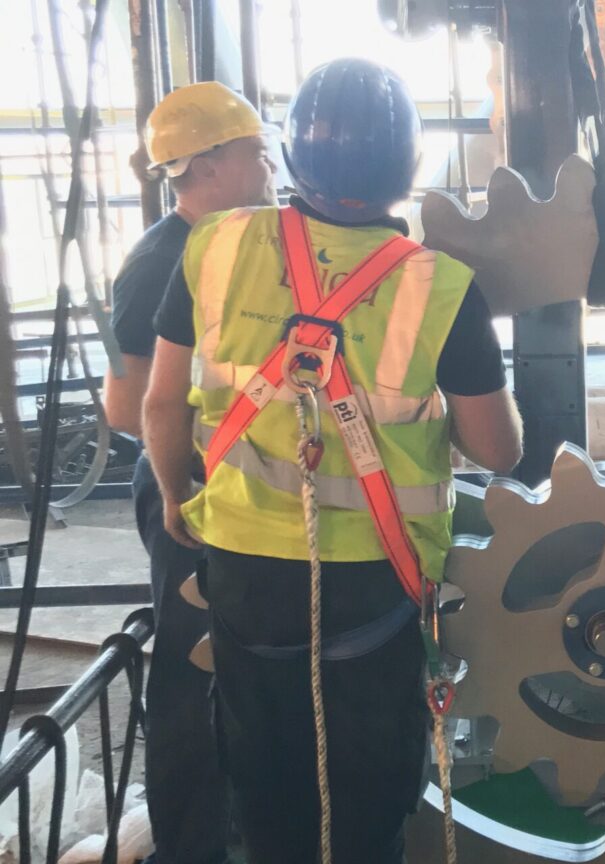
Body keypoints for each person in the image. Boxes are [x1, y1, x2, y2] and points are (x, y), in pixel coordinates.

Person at [143, 58, 522, 864]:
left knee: (263, 782)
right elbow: (498, 448)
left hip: (243, 571)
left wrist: (177, 495)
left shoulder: (213, 249)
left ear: (290, 157)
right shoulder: (441, 288)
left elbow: (160, 402)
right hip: (372, 583)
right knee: (368, 793)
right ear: (408, 170)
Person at [105, 80, 276, 864]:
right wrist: (187, 466)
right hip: (184, 479)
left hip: (226, 476)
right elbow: (125, 405)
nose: (267, 161)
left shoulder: (238, 246)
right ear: (207, 165)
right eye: (252, 151)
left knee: (236, 646)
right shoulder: (160, 264)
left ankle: (241, 822)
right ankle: (193, 843)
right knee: (189, 660)